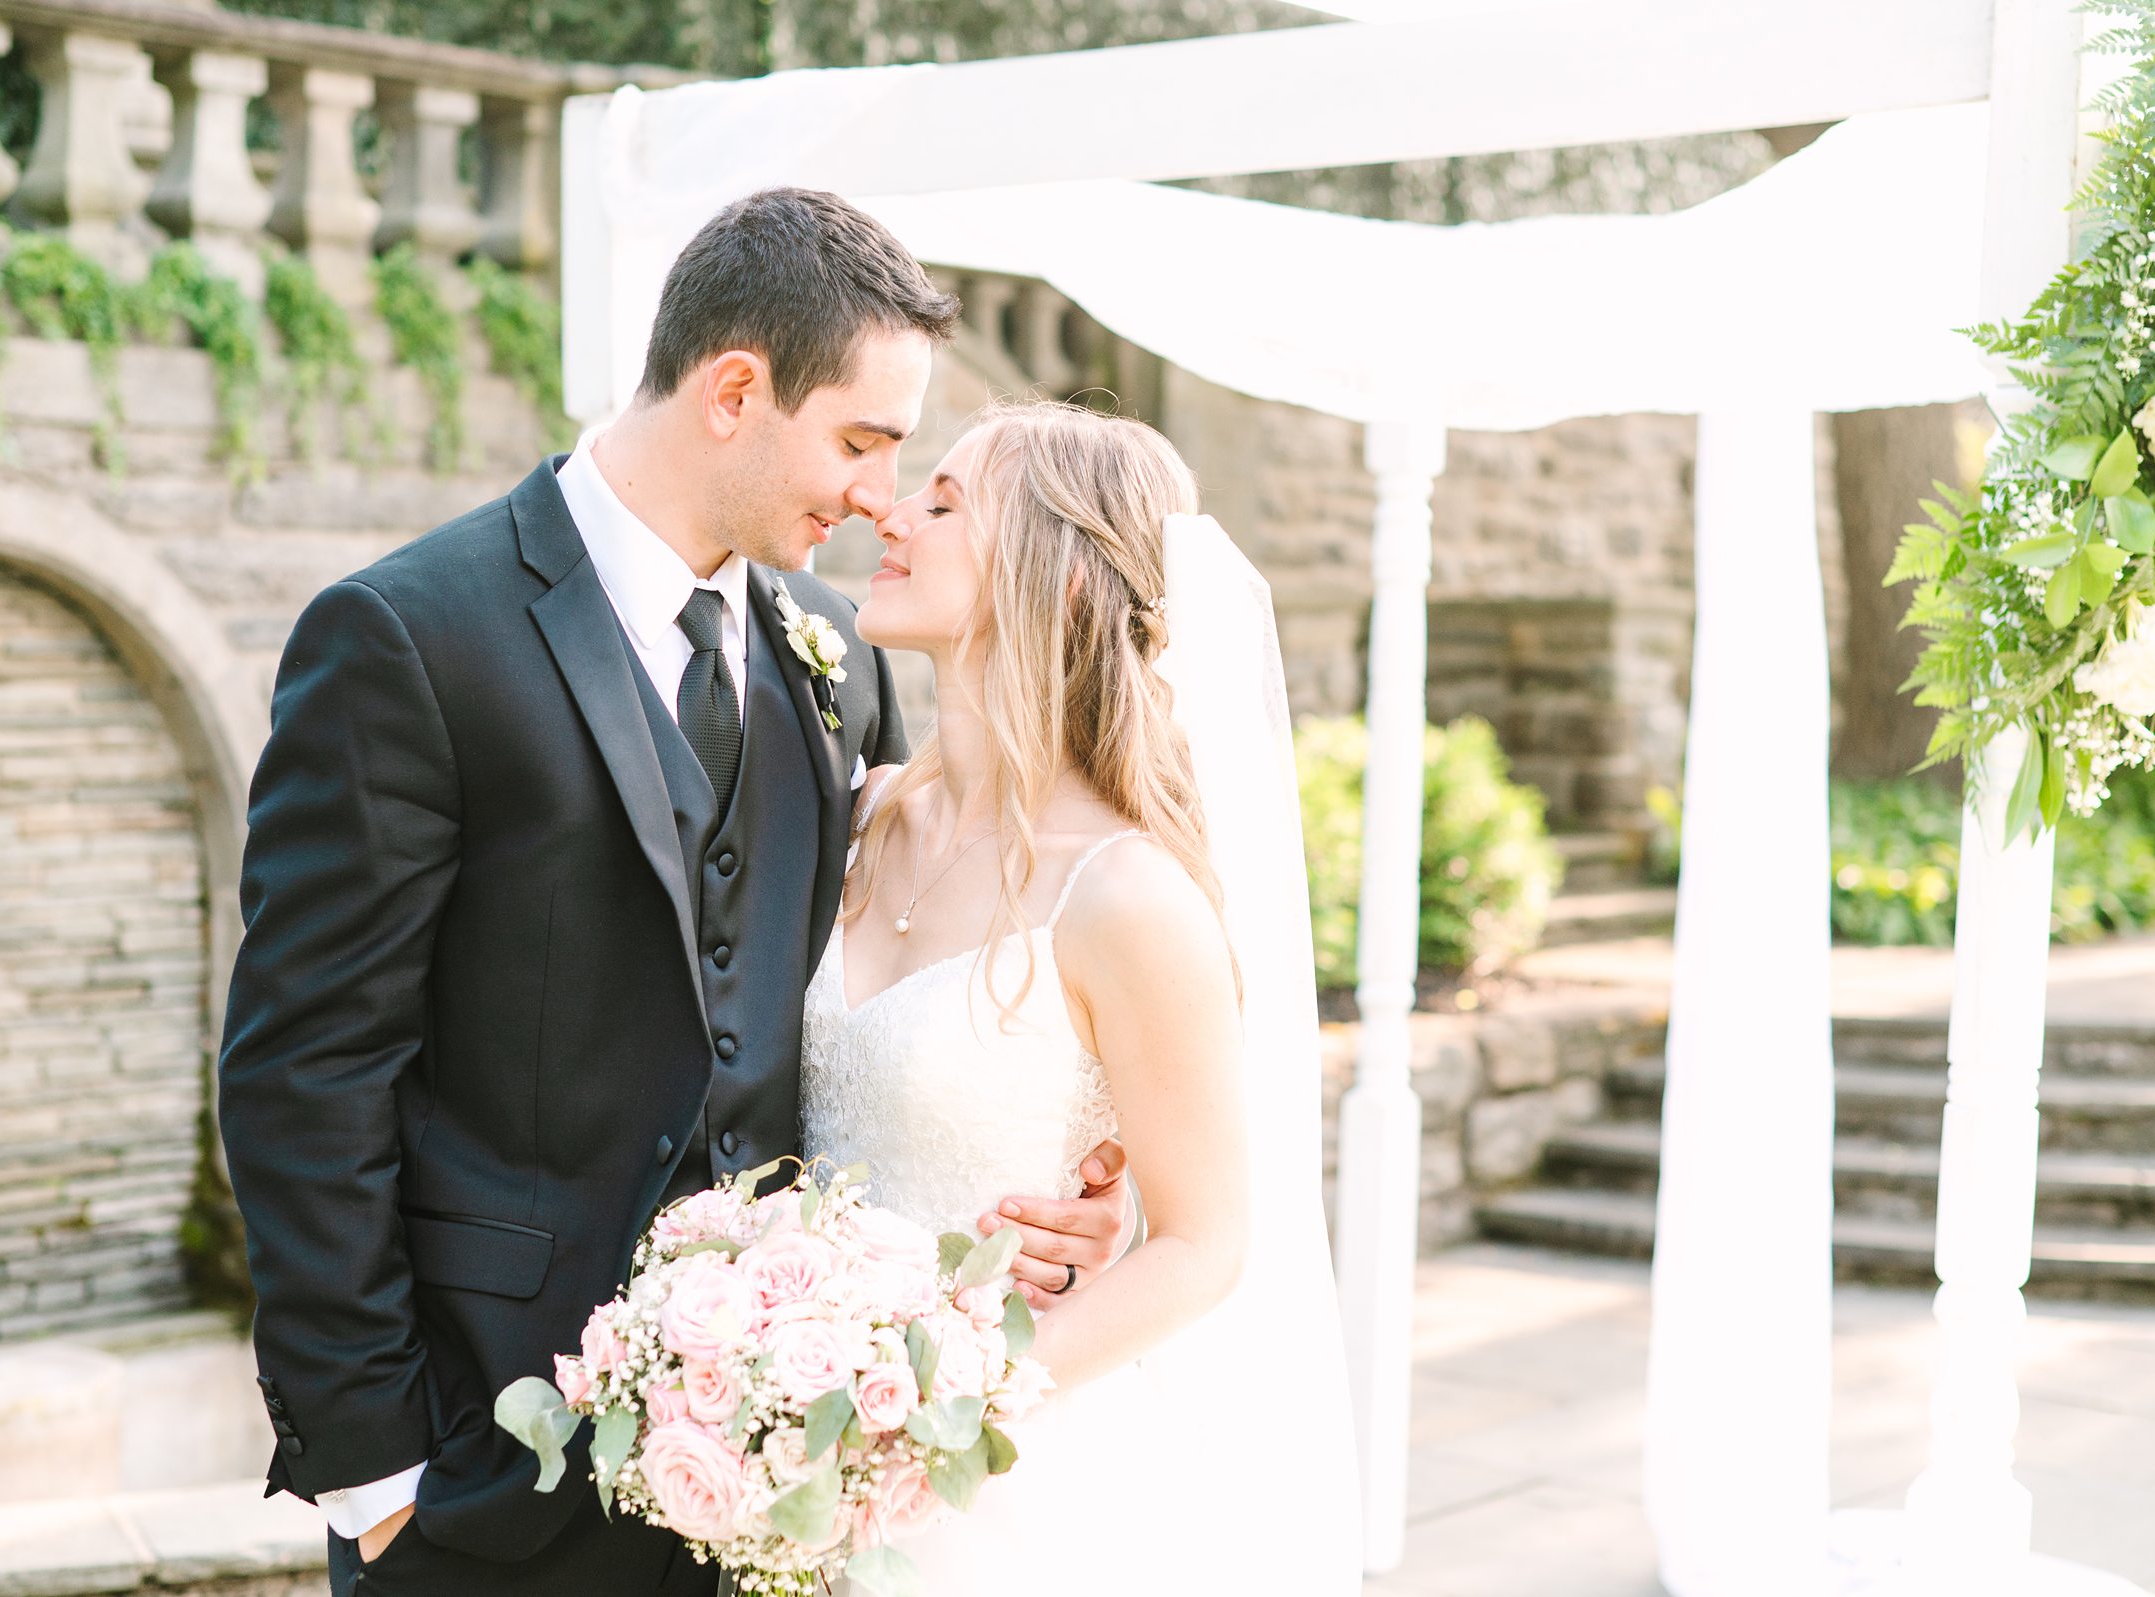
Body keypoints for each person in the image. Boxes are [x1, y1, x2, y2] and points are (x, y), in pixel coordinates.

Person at [216, 189, 1135, 1597]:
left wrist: (1069, 1188)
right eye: (860, 441)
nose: (879, 497)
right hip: (481, 1471)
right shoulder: (409, 637)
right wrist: (377, 1475)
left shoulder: (837, 652)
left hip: (783, 1483)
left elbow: (881, 978)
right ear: (734, 392)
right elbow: (305, 1072)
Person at [804, 398, 1362, 1594]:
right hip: (798, 1456)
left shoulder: (1129, 898)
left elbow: (1207, 1243)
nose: (892, 512)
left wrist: (949, 1408)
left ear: (1058, 583)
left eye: (945, 502)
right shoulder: (853, 815)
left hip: (1002, 1485)